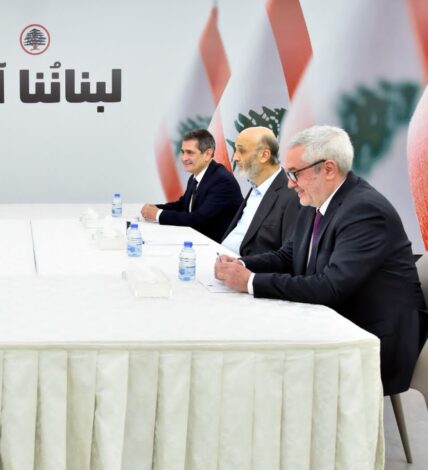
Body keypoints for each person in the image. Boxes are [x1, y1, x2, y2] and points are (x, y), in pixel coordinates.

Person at [215, 125, 427, 396]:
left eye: (295, 174)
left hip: (373, 342)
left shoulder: (365, 210)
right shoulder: (315, 201)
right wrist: (242, 265)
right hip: (337, 323)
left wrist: (250, 282)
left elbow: (330, 287)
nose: (289, 184)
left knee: (267, 371)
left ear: (328, 169)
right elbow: (287, 256)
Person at [141, 129, 242, 242]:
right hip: (199, 241)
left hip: (218, 247)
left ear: (208, 154)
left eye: (190, 153)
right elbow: (182, 206)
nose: (183, 158)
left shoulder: (222, 181)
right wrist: (154, 208)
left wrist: (158, 215)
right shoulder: (197, 175)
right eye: (183, 152)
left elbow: (199, 220)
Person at [220, 126, 300, 256]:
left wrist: (241, 264)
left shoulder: (291, 195)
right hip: (221, 257)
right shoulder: (256, 186)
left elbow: (288, 257)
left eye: (242, 151)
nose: (235, 157)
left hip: (245, 266)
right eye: (235, 150)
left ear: (264, 155)